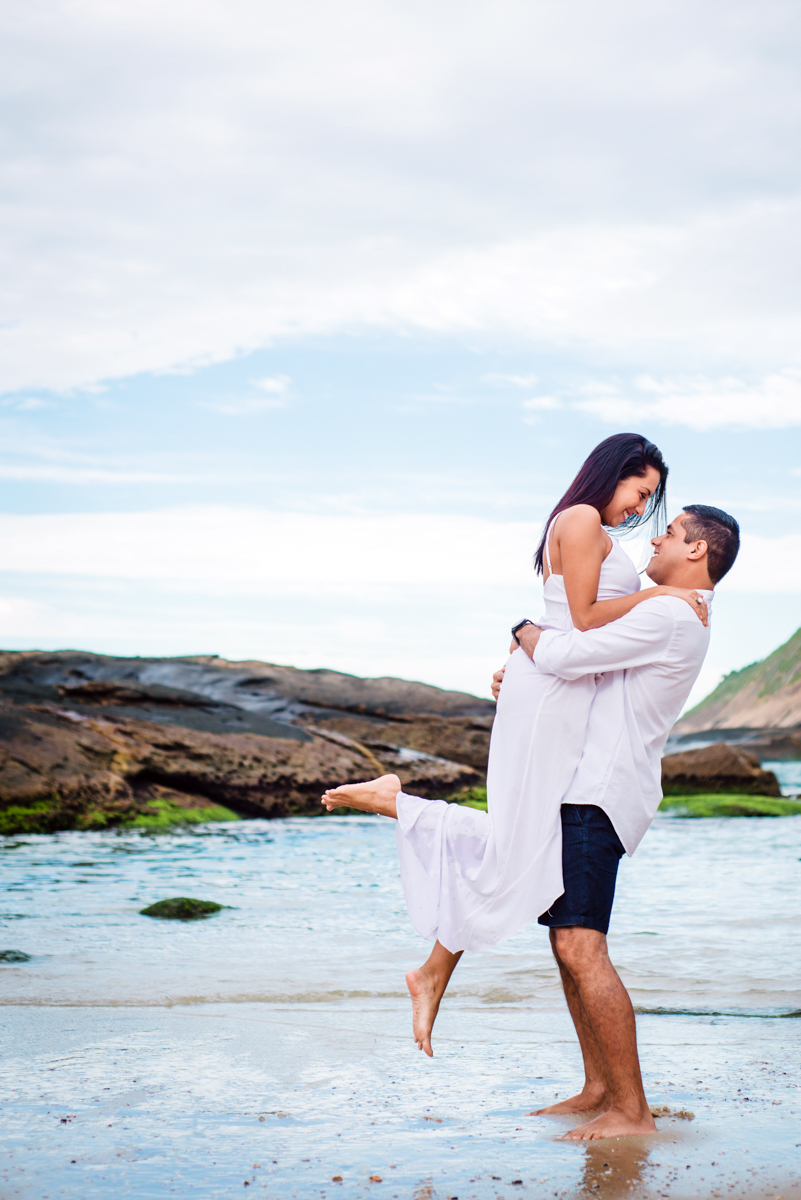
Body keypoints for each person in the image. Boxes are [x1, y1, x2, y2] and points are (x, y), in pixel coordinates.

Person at [322, 503, 739, 1142]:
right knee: (559, 933)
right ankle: (600, 1087)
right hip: (588, 786)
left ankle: (632, 1110)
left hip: (600, 793)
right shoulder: (670, 610)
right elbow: (592, 671)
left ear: (696, 553)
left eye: (672, 530)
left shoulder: (671, 612)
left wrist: (523, 632)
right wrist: (522, 674)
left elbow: (572, 651)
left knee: (581, 945)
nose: (656, 533)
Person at [322, 436, 704, 1034]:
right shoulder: (580, 518)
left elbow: (560, 620)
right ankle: (397, 814)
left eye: (650, 499)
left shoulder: (590, 529)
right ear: (613, 473)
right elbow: (581, 619)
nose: (640, 509)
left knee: (524, 844)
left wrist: (521, 648)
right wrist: (665, 592)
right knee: (520, 840)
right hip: (555, 688)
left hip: (557, 683)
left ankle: (431, 961)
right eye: (640, 491)